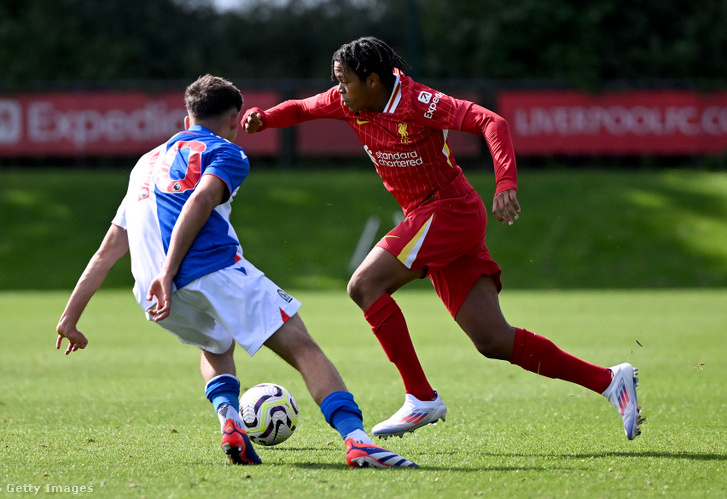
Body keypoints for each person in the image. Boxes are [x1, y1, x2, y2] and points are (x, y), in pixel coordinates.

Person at [242, 37, 643, 441]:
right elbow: (301, 108)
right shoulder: (348, 103)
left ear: (375, 80)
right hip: (432, 217)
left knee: (364, 285)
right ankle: (610, 381)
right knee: (492, 340)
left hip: (448, 209)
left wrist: (505, 181)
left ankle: (420, 396)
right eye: (337, 81)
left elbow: (492, 122)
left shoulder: (418, 102)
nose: (338, 89)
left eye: (345, 81)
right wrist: (265, 118)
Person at [55, 74, 419, 468]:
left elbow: (107, 251)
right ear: (234, 120)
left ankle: (231, 422)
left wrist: (70, 318)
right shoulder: (227, 153)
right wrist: (170, 268)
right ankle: (358, 440)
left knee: (215, 343)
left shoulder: (144, 164)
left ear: (186, 117)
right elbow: (200, 202)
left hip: (151, 291)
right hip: (206, 268)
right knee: (301, 344)